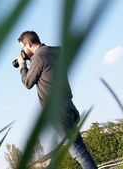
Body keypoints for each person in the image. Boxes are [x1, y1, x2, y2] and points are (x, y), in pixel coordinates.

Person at [16, 31, 97, 169]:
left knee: (78, 153)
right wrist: (30, 59)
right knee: (80, 149)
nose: (22, 50)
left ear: (29, 44)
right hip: (68, 105)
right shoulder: (54, 52)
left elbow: (28, 82)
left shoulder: (38, 57)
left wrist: (23, 65)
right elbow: (46, 69)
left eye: (23, 47)